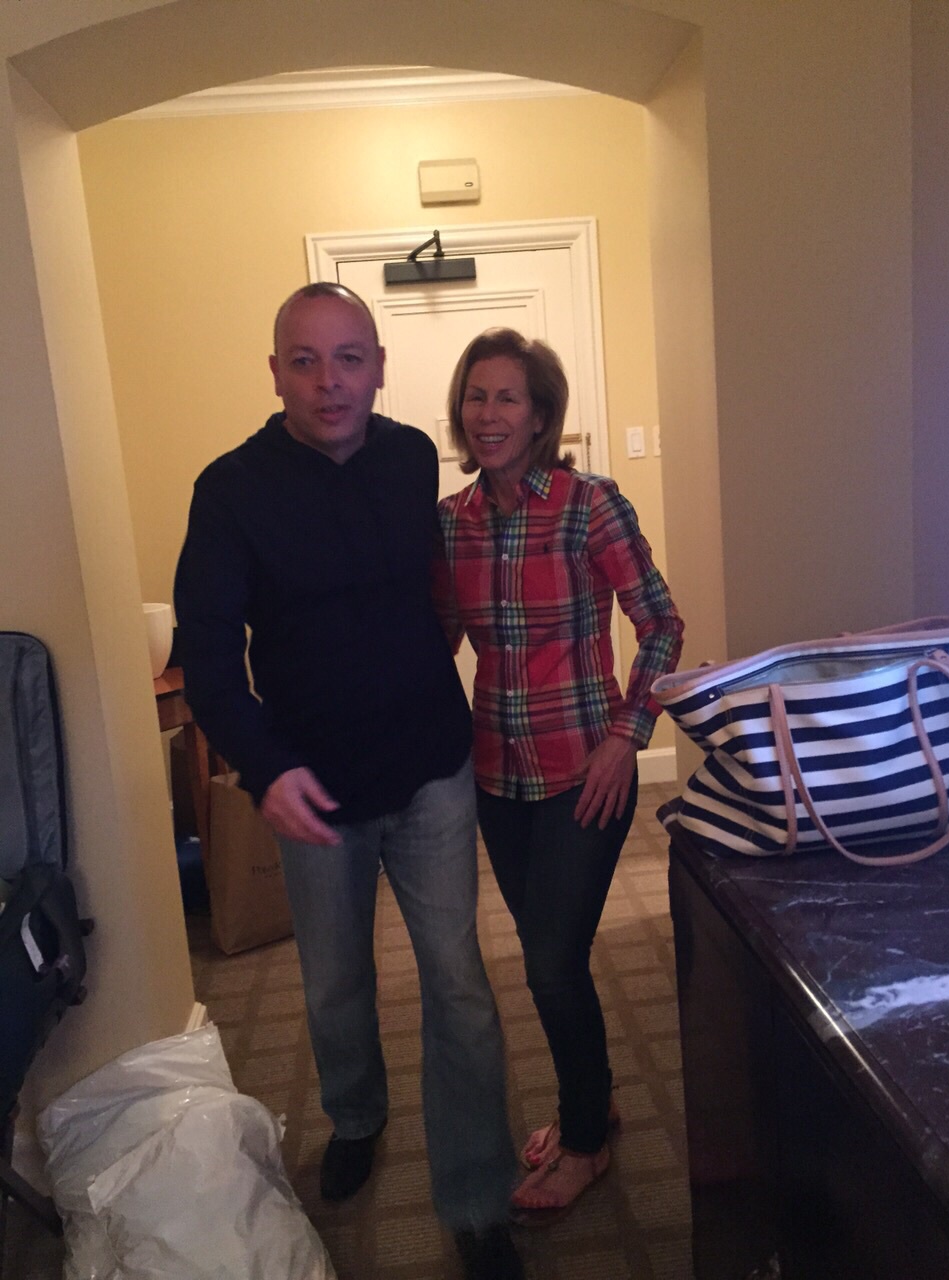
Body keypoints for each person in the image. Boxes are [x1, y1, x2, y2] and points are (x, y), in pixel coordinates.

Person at [174, 284, 523, 1280]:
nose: (329, 383)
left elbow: (439, 586)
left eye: (348, 359)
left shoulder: (412, 458)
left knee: (458, 983)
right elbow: (208, 655)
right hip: (313, 790)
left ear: (377, 367)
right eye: (305, 361)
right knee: (334, 981)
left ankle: (477, 1200)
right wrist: (265, 765)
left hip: (431, 769)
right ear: (275, 372)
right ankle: (358, 1113)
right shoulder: (230, 490)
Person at [436, 328, 684, 1223]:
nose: (488, 413)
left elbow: (661, 625)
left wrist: (627, 737)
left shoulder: (590, 506)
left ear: (541, 415)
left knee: (546, 963)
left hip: (587, 771)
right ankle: (596, 1097)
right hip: (497, 779)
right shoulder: (452, 523)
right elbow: (439, 643)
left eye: (508, 397)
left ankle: (585, 1140)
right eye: (476, 396)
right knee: (557, 957)